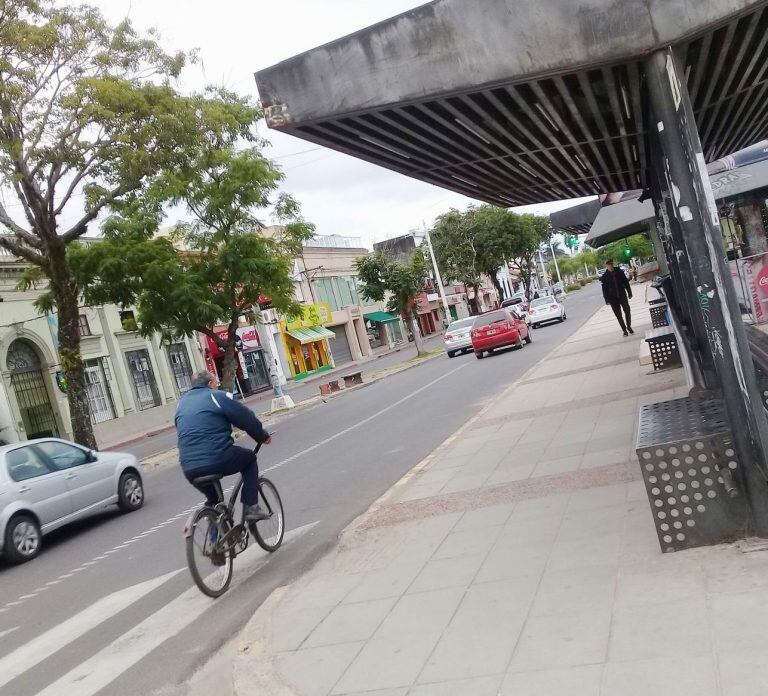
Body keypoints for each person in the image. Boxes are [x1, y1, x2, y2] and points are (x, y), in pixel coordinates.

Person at [175, 371, 271, 521]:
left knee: (214, 503)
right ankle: (252, 507)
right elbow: (246, 418)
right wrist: (262, 436)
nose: (217, 385)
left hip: (189, 467)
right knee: (250, 459)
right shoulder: (216, 396)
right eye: (216, 382)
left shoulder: (181, 404)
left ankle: (215, 540)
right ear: (210, 384)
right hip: (217, 457)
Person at [600, 259, 633, 336]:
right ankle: (624, 330)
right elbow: (604, 289)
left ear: (613, 264)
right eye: (608, 265)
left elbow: (626, 282)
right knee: (618, 315)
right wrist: (607, 300)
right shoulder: (604, 277)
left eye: (611, 264)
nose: (610, 266)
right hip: (612, 298)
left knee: (627, 310)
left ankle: (628, 326)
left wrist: (629, 292)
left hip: (622, 295)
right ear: (606, 266)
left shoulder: (620, 272)